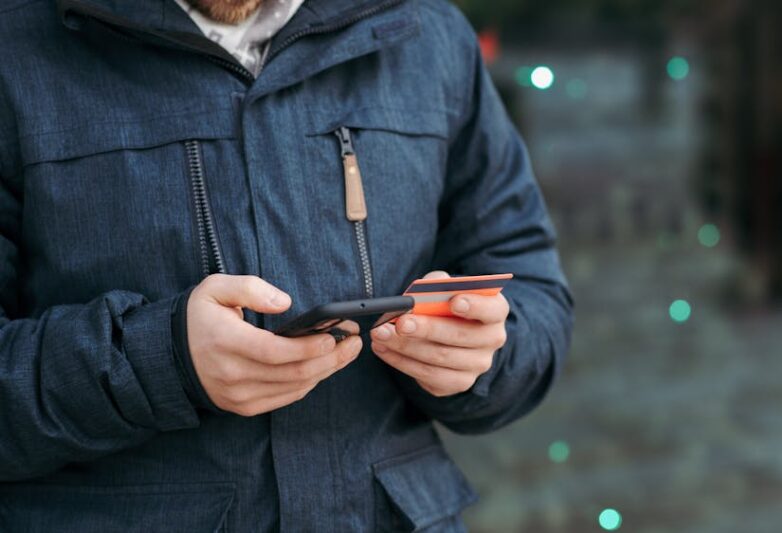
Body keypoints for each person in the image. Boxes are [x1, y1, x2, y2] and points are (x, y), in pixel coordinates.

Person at [0, 0, 573, 530]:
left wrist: (480, 354)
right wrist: (160, 363)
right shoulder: (17, 42)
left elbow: (532, 291)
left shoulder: (428, 31)